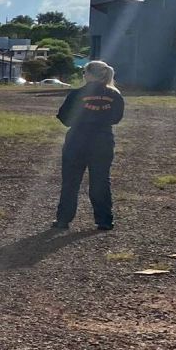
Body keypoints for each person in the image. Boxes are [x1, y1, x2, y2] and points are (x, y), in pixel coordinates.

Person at [53, 61, 123, 230]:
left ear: (90, 74)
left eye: (84, 72)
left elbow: (64, 117)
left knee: (71, 181)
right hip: (103, 141)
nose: (83, 75)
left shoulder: (77, 94)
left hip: (77, 140)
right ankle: (104, 220)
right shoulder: (115, 95)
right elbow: (116, 118)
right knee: (100, 181)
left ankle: (63, 220)